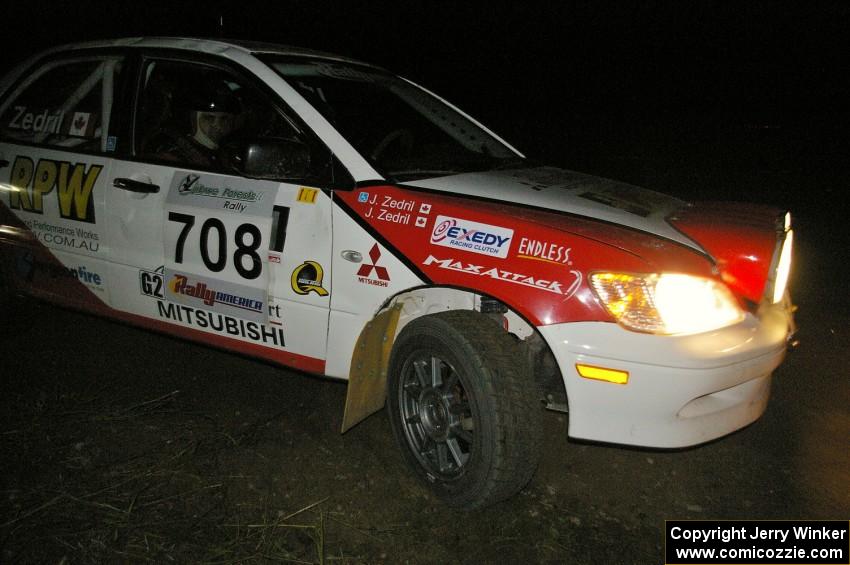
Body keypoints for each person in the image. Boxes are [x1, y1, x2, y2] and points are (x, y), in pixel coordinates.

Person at [151, 83, 243, 169]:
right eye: (209, 118)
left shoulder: (226, 154)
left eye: (224, 119)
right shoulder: (171, 158)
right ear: (190, 120)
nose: (218, 126)